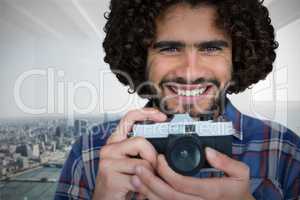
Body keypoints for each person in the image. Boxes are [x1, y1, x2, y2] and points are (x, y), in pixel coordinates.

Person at [55, 0, 300, 199]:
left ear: (236, 57)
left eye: (211, 48)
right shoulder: (91, 153)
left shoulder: (285, 151)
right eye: (169, 49)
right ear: (141, 58)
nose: (190, 72)